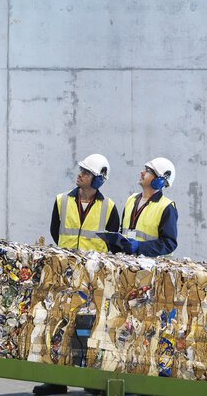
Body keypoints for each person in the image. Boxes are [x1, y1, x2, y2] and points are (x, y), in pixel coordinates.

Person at [34, 154, 119, 396]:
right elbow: (55, 231)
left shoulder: (109, 207)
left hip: (93, 278)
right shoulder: (61, 200)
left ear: (98, 180)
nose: (80, 174)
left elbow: (112, 242)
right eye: (81, 170)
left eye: (86, 172)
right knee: (58, 324)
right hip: (64, 273)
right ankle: (56, 380)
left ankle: (91, 380)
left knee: (89, 328)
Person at [101, 157, 178, 257]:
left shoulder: (167, 207)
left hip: (152, 269)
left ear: (159, 180)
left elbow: (169, 244)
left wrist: (139, 246)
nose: (142, 172)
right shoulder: (131, 200)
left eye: (148, 171)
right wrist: (116, 243)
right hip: (129, 265)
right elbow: (124, 231)